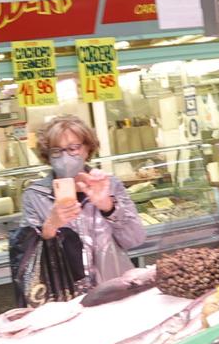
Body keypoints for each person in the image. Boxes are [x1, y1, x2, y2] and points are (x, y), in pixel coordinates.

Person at [13, 115, 145, 303]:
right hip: (63, 296)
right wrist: (50, 227)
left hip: (114, 290)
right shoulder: (35, 196)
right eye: (57, 151)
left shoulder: (109, 185)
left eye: (73, 148)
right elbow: (26, 255)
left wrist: (108, 207)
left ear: (87, 149)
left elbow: (135, 239)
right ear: (48, 156)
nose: (66, 157)